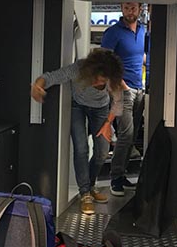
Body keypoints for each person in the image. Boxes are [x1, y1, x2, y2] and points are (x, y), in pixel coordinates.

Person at [31, 48, 124, 215]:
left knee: (102, 152)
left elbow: (118, 103)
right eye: (95, 79)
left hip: (101, 109)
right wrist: (38, 85)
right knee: (81, 148)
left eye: (102, 81)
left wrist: (107, 123)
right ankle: (85, 193)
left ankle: (91, 185)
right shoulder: (78, 69)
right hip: (78, 106)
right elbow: (52, 77)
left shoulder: (112, 79)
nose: (97, 83)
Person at [101, 2, 147, 196]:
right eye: (127, 8)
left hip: (140, 89)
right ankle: (115, 178)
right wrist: (122, 85)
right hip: (122, 90)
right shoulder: (113, 32)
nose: (130, 11)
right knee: (126, 134)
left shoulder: (143, 31)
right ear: (122, 8)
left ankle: (121, 174)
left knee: (133, 135)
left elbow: (142, 56)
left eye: (133, 8)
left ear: (139, 9)